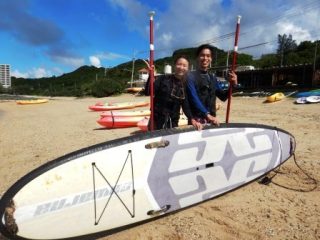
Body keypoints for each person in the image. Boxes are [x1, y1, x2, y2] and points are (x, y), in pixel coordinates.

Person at [186, 44, 238, 126]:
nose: (205, 58)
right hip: (196, 121)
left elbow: (223, 97)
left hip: (212, 120)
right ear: (197, 58)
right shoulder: (190, 76)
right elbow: (193, 98)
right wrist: (207, 115)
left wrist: (233, 84)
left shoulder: (212, 78)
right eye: (202, 55)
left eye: (208, 56)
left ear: (211, 59)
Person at [145, 55, 202, 130]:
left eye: (184, 65)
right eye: (179, 64)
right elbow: (148, 92)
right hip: (156, 119)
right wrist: (151, 76)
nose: (181, 67)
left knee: (170, 141)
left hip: (173, 121)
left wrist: (191, 118)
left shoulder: (186, 85)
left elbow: (185, 105)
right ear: (174, 65)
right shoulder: (163, 78)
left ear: (188, 68)